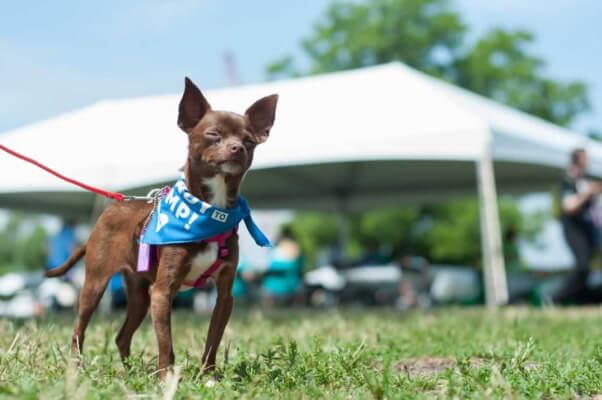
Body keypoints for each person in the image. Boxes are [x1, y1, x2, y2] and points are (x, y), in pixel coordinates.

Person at [552, 148, 602, 304]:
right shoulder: (568, 181)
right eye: (585, 158)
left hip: (589, 230)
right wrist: (587, 193)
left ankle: (585, 298)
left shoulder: (585, 180)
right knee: (582, 264)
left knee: (588, 266)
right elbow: (569, 207)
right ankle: (556, 298)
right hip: (574, 230)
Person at [261, 226, 305, 307]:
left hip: (273, 287)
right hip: (292, 285)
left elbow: (267, 267)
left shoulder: (273, 251)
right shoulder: (296, 250)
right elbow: (300, 268)